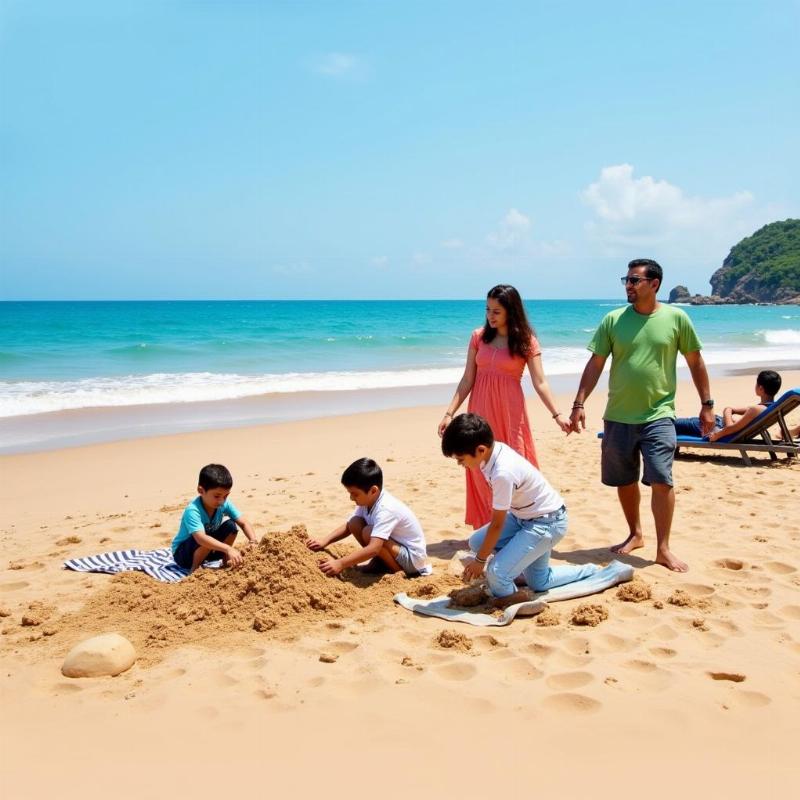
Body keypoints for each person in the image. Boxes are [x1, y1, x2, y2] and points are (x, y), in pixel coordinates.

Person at [570, 259, 714, 573]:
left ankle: (663, 548)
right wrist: (579, 403)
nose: (628, 285)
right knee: (624, 479)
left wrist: (707, 403)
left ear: (655, 283)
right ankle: (635, 533)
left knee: (662, 479)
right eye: (626, 279)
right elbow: (595, 364)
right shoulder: (612, 320)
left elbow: (695, 362)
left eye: (635, 280)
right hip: (618, 415)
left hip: (660, 414)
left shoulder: (677, 318)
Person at [438, 284, 570, 529]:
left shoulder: (526, 341)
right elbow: (467, 378)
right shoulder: (478, 337)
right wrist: (449, 413)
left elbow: (540, 382)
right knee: (479, 466)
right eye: (488, 309)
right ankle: (488, 527)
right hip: (479, 410)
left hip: (510, 412)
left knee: (513, 465)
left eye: (496, 311)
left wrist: (558, 415)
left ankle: (517, 524)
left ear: (511, 310)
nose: (490, 315)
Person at [441, 413, 599, 608]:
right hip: (522, 518)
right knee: (480, 543)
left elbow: (497, 524)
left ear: (480, 449)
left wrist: (481, 561)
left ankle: (518, 593)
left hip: (547, 523)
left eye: (460, 459)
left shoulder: (502, 472)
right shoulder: (491, 452)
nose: (461, 465)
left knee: (497, 573)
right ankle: (516, 568)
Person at [306, 458, 431, 578]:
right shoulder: (369, 500)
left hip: (413, 560)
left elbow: (374, 548)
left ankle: (396, 571)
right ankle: (383, 563)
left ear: (373, 491)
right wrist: (325, 540)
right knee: (355, 522)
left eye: (354, 494)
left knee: (368, 532)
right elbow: (349, 526)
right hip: (396, 550)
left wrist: (340, 563)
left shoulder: (386, 508)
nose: (351, 498)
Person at [171, 464, 257, 572]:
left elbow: (243, 522)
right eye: (217, 496)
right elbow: (201, 538)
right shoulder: (193, 510)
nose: (222, 500)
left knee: (230, 526)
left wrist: (253, 541)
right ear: (201, 491)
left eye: (225, 496)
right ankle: (194, 570)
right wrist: (228, 548)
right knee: (205, 538)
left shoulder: (223, 504)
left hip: (207, 551)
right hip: (183, 556)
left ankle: (226, 561)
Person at [674, 370, 781, 441]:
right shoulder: (770, 407)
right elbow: (734, 415)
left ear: (761, 388)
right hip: (717, 422)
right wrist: (729, 411)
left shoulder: (755, 409)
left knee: (673, 424)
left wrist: (717, 435)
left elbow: (729, 428)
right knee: (681, 423)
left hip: (716, 427)